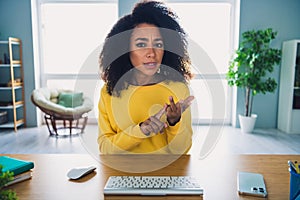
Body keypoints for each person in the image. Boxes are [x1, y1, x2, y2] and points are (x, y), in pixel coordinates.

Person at [97, 0, 194, 154]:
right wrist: (140, 131)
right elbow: (105, 149)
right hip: (122, 173)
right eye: (141, 45)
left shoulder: (178, 89)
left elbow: (181, 152)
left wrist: (174, 122)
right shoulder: (109, 91)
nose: (152, 53)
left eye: (159, 44)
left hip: (165, 175)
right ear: (125, 49)